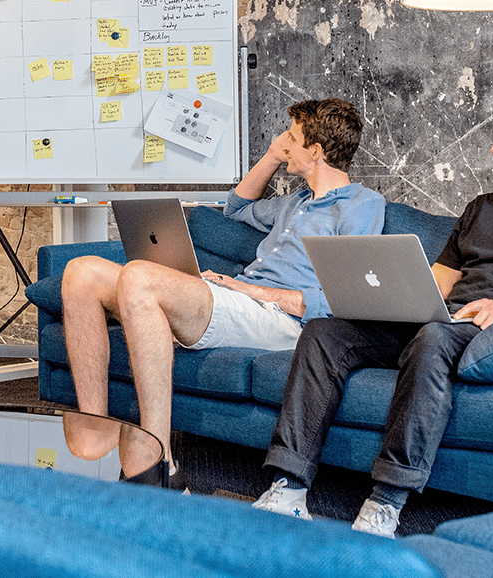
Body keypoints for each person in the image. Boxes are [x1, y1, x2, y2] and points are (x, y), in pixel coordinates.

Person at [254, 94, 493, 536]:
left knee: (432, 337)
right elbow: (435, 284)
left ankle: (385, 502)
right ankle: (288, 488)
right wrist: (385, 298)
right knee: (325, 332)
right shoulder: (482, 208)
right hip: (445, 322)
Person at [61, 98, 385, 486]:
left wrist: (251, 290)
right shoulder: (294, 204)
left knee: (140, 277)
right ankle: (97, 423)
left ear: (315, 151)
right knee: (81, 273)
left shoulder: (362, 205)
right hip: (240, 303)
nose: (283, 141)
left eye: (292, 137)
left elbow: (344, 299)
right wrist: (269, 157)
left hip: (282, 321)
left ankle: (160, 459)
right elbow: (235, 207)